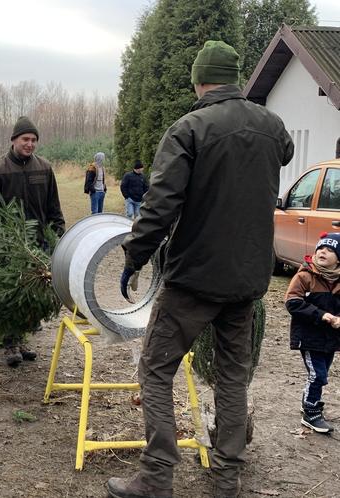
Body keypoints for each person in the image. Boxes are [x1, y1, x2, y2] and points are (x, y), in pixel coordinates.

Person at [109, 41, 295, 498]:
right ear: (236, 78)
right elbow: (285, 153)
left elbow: (160, 206)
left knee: (156, 368)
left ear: (198, 79)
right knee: (232, 376)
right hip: (248, 279)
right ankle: (226, 478)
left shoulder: (189, 128)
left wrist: (135, 256)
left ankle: (156, 476)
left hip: (194, 278)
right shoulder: (272, 125)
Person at [0, 115, 65, 367]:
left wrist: (58, 236)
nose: (30, 144)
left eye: (34, 140)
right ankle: (10, 344)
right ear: (14, 139)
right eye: (26, 139)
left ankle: (22, 339)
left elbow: (53, 208)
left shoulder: (44, 168)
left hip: (38, 244)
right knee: (11, 294)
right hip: (10, 246)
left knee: (32, 294)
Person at [285, 232, 340, 434]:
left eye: (330, 250)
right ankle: (311, 412)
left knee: (321, 372)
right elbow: (292, 302)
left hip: (331, 339)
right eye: (321, 248)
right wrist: (322, 315)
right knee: (318, 375)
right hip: (308, 337)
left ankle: (308, 401)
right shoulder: (305, 276)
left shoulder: (338, 281)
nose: (323, 251)